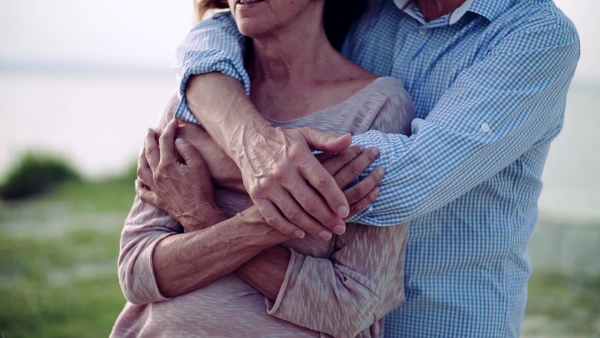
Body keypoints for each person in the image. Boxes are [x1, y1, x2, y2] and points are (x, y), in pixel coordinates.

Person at [170, 0, 581, 336]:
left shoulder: (536, 35)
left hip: (447, 321)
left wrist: (226, 158)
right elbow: (223, 28)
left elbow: (403, 182)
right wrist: (248, 139)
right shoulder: (365, 7)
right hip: (322, 322)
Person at [110, 0, 414, 336]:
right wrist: (280, 220)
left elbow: (352, 306)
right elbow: (136, 272)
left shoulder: (377, 106)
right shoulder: (198, 96)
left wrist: (201, 217)